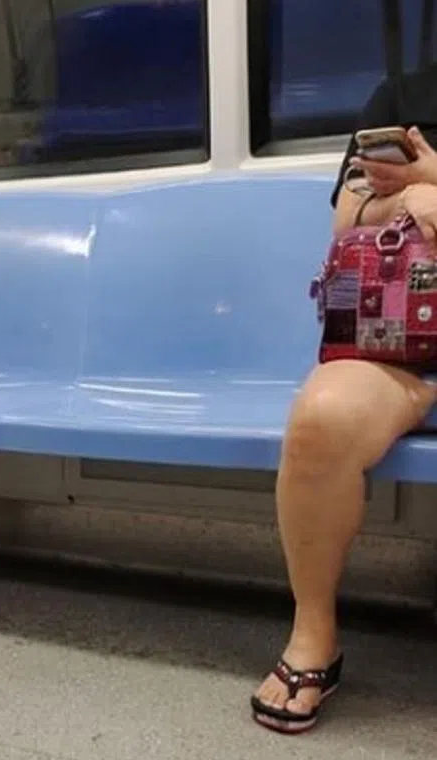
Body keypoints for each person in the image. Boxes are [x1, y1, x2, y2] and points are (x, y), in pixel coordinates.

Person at [250, 71, 437, 733]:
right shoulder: (404, 99)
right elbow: (347, 218)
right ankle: (313, 634)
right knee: (320, 420)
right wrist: (414, 196)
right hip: (399, 345)